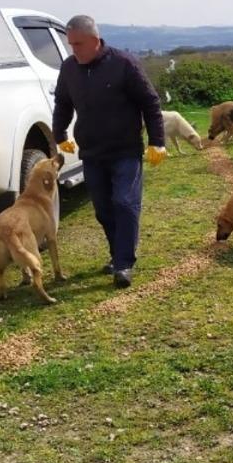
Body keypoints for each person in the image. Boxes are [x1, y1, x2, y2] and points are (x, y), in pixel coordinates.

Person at [52, 15, 167, 289]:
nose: (74, 50)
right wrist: (60, 134)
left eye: (78, 44)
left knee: (124, 203)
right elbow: (63, 104)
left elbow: (150, 103)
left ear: (94, 40)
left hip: (125, 149)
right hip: (92, 153)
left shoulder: (124, 64)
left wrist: (157, 141)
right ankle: (118, 253)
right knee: (104, 209)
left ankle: (124, 263)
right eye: (71, 44)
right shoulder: (69, 69)